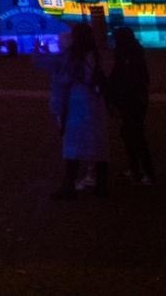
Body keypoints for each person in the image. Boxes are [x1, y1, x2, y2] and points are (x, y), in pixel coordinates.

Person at [49, 22, 110, 199]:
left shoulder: (72, 56)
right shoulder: (96, 55)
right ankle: (101, 186)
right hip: (95, 102)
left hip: (76, 102)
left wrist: (57, 108)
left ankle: (69, 186)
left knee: (73, 146)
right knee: (98, 144)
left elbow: (62, 81)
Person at [107, 26, 154, 185]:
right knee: (131, 135)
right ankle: (138, 169)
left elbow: (124, 77)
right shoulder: (131, 53)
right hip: (133, 100)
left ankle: (145, 171)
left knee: (134, 135)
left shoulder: (127, 56)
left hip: (132, 100)